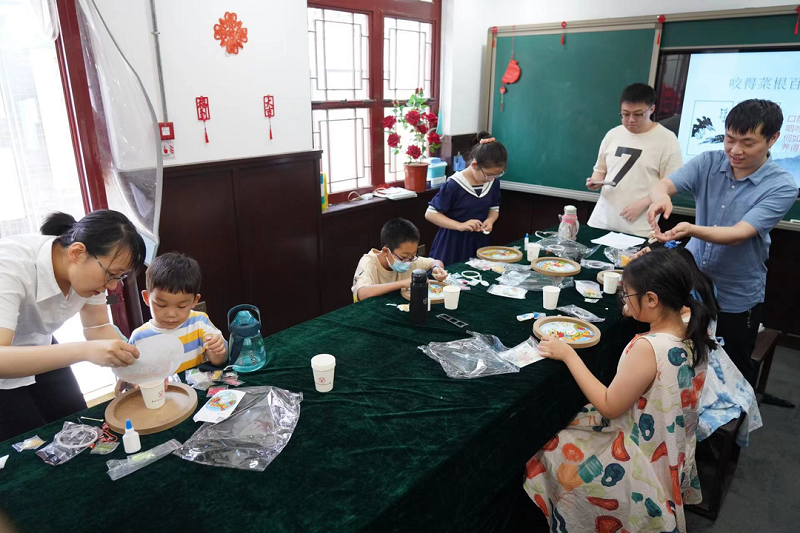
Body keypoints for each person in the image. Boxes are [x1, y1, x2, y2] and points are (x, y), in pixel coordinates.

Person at [524, 249, 713, 532]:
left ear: (652, 299)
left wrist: (568, 355)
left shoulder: (648, 347)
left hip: (639, 454)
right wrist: (635, 301)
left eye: (628, 294)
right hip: (671, 444)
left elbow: (609, 406)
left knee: (549, 447)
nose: (623, 300)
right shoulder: (691, 322)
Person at [647, 99, 797, 395]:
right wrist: (661, 197)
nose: (735, 150)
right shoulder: (708, 162)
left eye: (747, 143)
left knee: (732, 371)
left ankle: (734, 423)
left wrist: (691, 229)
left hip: (736, 293)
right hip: (692, 284)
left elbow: (739, 233)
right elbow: (663, 185)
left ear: (772, 139)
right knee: (683, 358)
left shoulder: (782, 186)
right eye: (730, 139)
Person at [0, 211, 145, 441]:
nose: (112, 287)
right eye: (111, 275)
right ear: (77, 252)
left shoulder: (91, 272)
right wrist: (85, 351)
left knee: (76, 423)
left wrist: (134, 368)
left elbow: (97, 326)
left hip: (39, 342)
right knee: (26, 441)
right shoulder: (9, 267)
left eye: (119, 277)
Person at [586, 83, 683, 237]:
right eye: (625, 114)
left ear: (651, 109)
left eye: (638, 114)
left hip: (639, 227)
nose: (631, 120)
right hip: (602, 221)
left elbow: (673, 184)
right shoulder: (613, 134)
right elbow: (600, 170)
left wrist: (643, 204)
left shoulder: (667, 139)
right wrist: (595, 182)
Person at [127, 252, 228, 380]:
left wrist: (217, 350)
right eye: (162, 305)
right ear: (147, 298)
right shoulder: (140, 338)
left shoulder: (199, 322)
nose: (171, 314)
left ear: (194, 301)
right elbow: (134, 375)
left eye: (181, 306)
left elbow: (218, 361)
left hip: (195, 389)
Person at [425, 131, 505, 266]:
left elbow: (494, 208)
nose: (491, 178)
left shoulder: (493, 183)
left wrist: (490, 220)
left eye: (497, 175)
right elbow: (431, 214)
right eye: (489, 174)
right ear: (474, 165)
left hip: (479, 242)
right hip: (452, 244)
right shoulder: (454, 185)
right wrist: (460, 226)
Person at [352, 219, 447, 302]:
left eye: (413, 255)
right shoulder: (369, 263)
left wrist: (437, 268)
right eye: (404, 256)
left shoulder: (410, 259)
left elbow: (434, 262)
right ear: (386, 251)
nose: (408, 261)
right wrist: (403, 283)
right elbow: (362, 293)